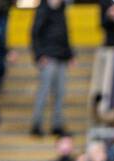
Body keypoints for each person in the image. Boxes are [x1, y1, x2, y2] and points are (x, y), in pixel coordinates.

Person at [30, 0, 72, 136]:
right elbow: (35, 33)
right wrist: (39, 55)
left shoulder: (62, 10)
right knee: (44, 91)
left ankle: (57, 124)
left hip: (61, 56)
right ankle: (36, 123)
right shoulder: (42, 10)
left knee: (60, 92)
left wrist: (69, 54)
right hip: (48, 56)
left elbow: (65, 33)